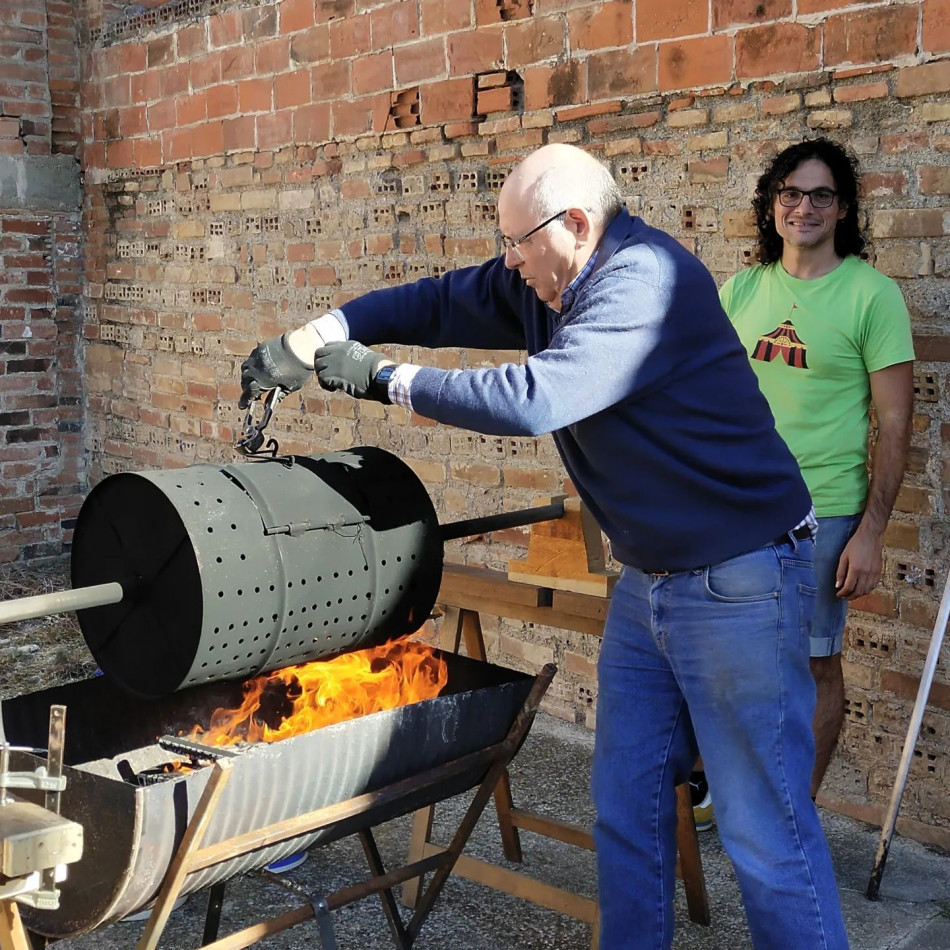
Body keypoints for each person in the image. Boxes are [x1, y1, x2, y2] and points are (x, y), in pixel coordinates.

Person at [239, 143, 849, 949]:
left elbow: (539, 396)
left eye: (518, 242)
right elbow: (432, 300)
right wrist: (317, 334)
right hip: (652, 581)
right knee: (626, 809)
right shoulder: (544, 276)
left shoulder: (645, 283)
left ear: (575, 226)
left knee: (764, 833)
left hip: (739, 578)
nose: (507, 261)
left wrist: (384, 377)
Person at [719, 138, 914, 801]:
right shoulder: (740, 291)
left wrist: (872, 532)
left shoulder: (871, 296)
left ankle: (794, 815)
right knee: (735, 660)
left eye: (820, 195)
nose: (804, 207)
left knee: (815, 663)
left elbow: (894, 424)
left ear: (843, 208)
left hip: (822, 515)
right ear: (772, 205)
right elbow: (705, 399)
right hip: (737, 512)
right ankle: (741, 794)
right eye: (791, 193)